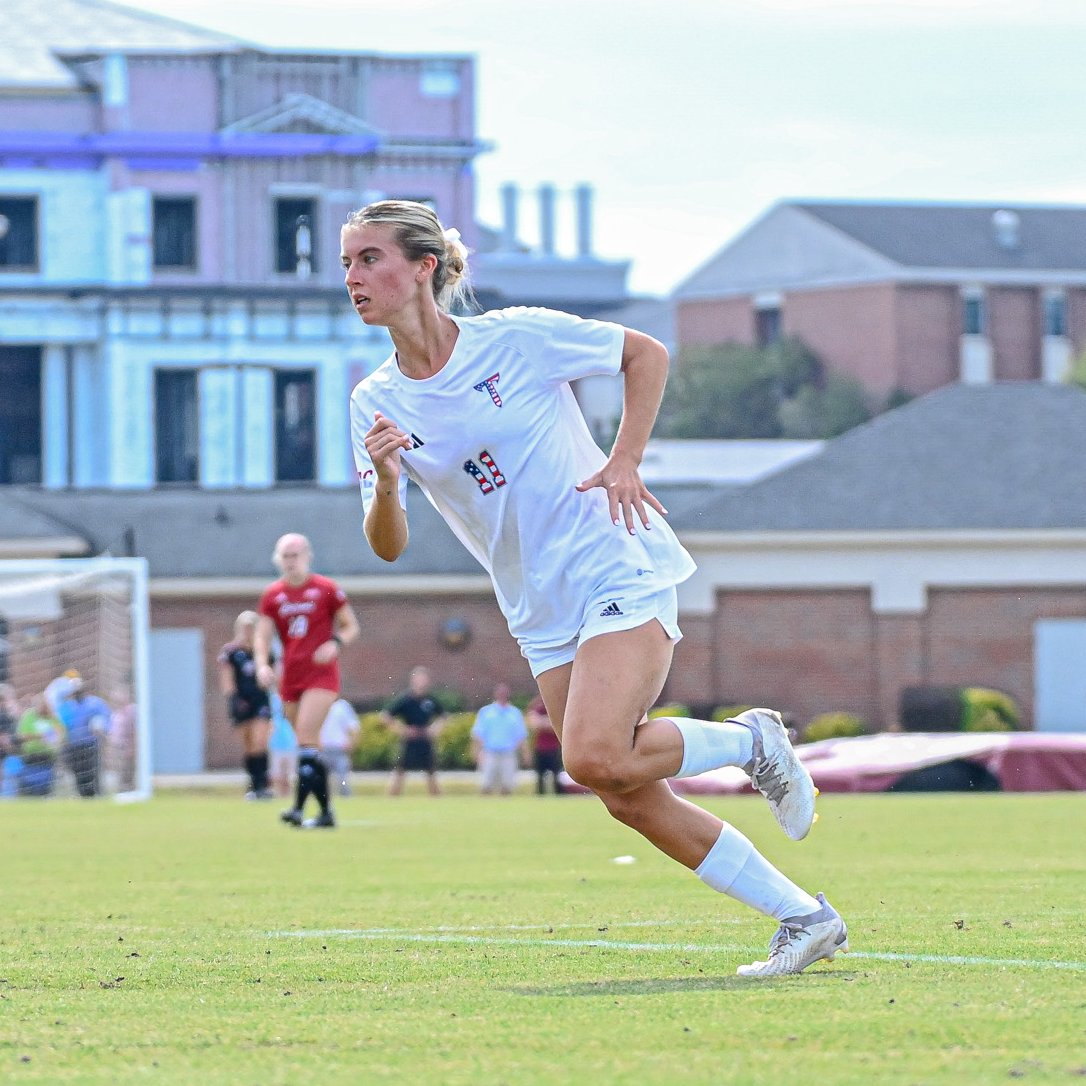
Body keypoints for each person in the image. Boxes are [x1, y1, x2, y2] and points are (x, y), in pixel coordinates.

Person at [345, 199, 848, 977]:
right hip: (536, 604)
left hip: (614, 561)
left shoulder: (513, 337)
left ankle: (754, 740)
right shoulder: (374, 401)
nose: (353, 277)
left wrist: (625, 459)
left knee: (593, 755)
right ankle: (803, 916)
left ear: (424, 269)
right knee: (620, 788)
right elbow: (387, 545)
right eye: (347, 263)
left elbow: (645, 353)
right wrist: (382, 479)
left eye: (369, 258)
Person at [255, 533, 360, 829]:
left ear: (307, 556)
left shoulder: (326, 589)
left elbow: (351, 626)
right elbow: (262, 635)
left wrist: (336, 643)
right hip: (291, 676)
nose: (290, 561)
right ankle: (322, 813)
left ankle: (300, 809)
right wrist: (263, 664)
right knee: (308, 747)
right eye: (285, 556)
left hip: (321, 675)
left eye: (295, 555)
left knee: (304, 737)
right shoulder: (273, 595)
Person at [218, 611, 274, 800]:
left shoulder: (264, 652)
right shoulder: (231, 652)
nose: (248, 631)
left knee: (260, 741)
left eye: (252, 627)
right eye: (245, 627)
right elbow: (226, 678)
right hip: (242, 701)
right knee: (249, 745)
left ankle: (263, 784)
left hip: (260, 700)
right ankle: (253, 785)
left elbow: (274, 674)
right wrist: (233, 699)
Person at [382, 666, 445, 797]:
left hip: (425, 740)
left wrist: (434, 729)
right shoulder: (406, 700)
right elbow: (386, 716)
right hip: (410, 741)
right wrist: (403, 730)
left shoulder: (430, 700)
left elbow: (444, 716)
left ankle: (437, 801)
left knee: (431, 773)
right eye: (418, 679)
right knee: (400, 772)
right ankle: (391, 799)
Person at [470, 682, 528, 795]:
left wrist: (525, 753)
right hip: (490, 752)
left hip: (508, 753)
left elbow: (521, 735)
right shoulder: (486, 712)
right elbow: (478, 733)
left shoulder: (515, 713)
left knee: (508, 785)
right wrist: (476, 752)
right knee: (486, 784)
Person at [57, 679, 111, 797]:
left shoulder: (95, 703)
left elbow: (105, 718)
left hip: (90, 745)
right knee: (78, 773)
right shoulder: (67, 707)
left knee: (92, 772)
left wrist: (101, 728)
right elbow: (61, 724)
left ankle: (96, 795)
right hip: (74, 746)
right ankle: (83, 796)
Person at [15, 693, 65, 797]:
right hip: (31, 757)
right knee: (31, 783)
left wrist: (55, 740)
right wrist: (40, 736)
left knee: (45, 784)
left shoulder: (52, 717)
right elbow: (22, 736)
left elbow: (61, 733)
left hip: (47, 757)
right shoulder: (29, 716)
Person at [319, 698, 361, 797]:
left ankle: (346, 798)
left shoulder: (342, 706)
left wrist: (352, 743)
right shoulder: (318, 705)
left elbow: (354, 726)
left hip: (339, 748)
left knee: (343, 778)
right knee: (321, 779)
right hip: (322, 748)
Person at [526, 694, 565, 795]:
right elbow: (534, 723)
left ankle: (558, 795)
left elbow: (560, 723)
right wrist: (549, 722)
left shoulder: (555, 707)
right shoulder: (539, 707)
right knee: (540, 777)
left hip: (554, 748)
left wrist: (543, 722)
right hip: (540, 748)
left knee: (556, 776)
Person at [266, 690, 298, 799]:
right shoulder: (273, 701)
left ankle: (288, 796)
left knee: (289, 775)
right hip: (276, 746)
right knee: (276, 774)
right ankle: (279, 795)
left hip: (291, 746)